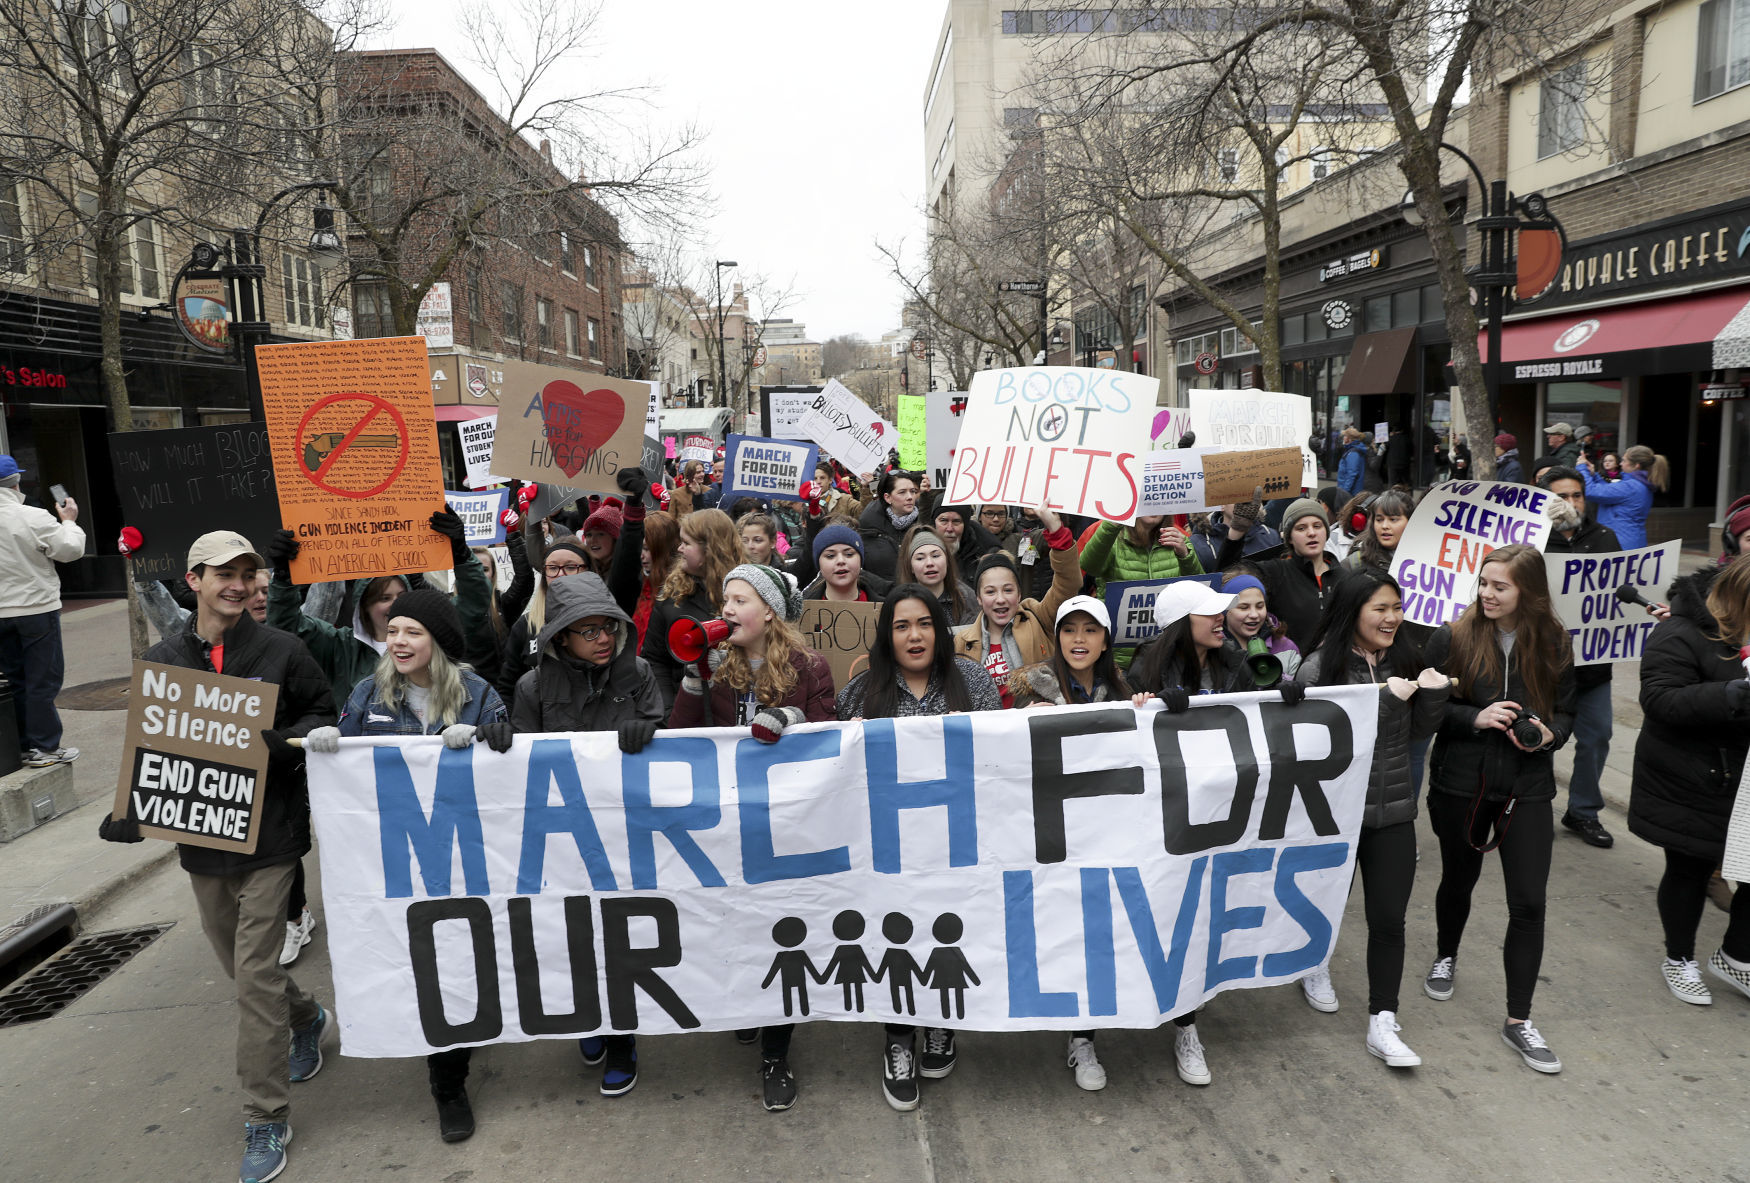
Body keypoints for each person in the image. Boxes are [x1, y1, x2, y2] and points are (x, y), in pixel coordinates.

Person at [99, 531, 335, 1183]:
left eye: (246, 572)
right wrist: (128, 808)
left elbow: (323, 712)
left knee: (255, 971)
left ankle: (265, 1116)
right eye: (222, 572)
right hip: (204, 837)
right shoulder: (169, 655)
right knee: (241, 965)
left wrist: (283, 744)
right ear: (193, 578)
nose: (237, 583)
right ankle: (307, 1016)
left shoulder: (284, 649)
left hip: (271, 836)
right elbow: (154, 742)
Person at [302, 590, 505, 1142]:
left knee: (460, 963)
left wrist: (485, 740)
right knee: (419, 965)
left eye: (412, 632)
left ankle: (451, 1075)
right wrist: (331, 742)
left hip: (465, 859)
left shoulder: (479, 694)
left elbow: (515, 774)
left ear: (437, 642)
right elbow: (347, 766)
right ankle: (443, 1072)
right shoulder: (368, 692)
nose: (398, 642)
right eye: (392, 632)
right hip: (393, 861)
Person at [670, 564, 835, 1110]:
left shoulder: (809, 666)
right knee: (732, 929)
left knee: (781, 936)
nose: (727, 608)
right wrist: (694, 676)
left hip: (785, 829)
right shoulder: (717, 664)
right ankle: (744, 1006)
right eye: (725, 599)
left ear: (769, 611)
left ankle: (776, 1052)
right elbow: (683, 739)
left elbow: (828, 733)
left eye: (739, 599)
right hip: (725, 828)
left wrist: (790, 716)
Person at [836, 587, 1001, 1111]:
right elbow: (832, 770)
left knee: (950, 936)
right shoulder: (861, 694)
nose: (914, 636)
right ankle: (899, 1040)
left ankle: (940, 1026)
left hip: (957, 845)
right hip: (889, 850)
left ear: (941, 630)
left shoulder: (972, 681)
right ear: (887, 634)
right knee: (897, 942)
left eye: (925, 624)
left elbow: (1001, 757)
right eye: (902, 626)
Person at [1419, 544, 1575, 1074]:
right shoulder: (1453, 636)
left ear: (1527, 592)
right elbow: (1428, 707)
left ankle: (1519, 1020)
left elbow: (1569, 710)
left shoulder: (1554, 642)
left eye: (1499, 586)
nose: (1486, 593)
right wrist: (1474, 719)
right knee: (1458, 880)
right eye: (1483, 583)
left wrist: (1553, 735)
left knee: (1530, 902)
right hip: (1462, 785)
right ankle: (1446, 953)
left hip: (1527, 788)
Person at [1300, 570, 1451, 1066]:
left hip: (1391, 811)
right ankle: (1313, 964)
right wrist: (1387, 700)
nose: (1392, 618)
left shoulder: (1407, 656)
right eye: (1380, 609)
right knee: (1326, 906)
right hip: (1332, 817)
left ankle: (1382, 1021)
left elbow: (1417, 735)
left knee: (1389, 918)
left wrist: (1430, 695)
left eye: (1397, 607)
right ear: (1352, 612)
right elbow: (1323, 746)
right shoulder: (1318, 669)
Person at [1006, 594, 1132, 1091]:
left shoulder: (1126, 690)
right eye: (1069, 631)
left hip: (1113, 834)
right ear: (1057, 639)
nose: (1079, 640)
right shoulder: (1032, 689)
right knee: (1075, 937)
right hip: (1057, 838)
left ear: (1105, 641)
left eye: (1090, 631)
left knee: (1108, 934)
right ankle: (1081, 1040)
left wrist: (1144, 714)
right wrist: (1024, 722)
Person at [1628, 556, 1750, 1006]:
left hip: (1744, 781)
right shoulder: (1679, 632)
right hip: (1695, 778)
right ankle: (1679, 958)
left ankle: (1737, 958)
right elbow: (1661, 699)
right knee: (1689, 869)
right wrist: (1732, 695)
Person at [1542, 466, 1666, 849]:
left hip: (1594, 667)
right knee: (1540, 741)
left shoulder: (1604, 537)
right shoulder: (1531, 543)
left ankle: (1583, 812)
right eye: (1562, 496)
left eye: (1577, 495)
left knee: (1596, 738)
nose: (1571, 503)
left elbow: (1622, 593)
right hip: (1543, 666)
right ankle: (1532, 809)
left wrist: (1648, 607)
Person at [0, 453, 84, 767]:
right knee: (42, 681)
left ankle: (20, 746)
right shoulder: (32, 516)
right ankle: (45, 748)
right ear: (16, 482)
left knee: (14, 680)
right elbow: (71, 550)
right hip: (36, 608)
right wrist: (69, 520)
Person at [953, 506, 1078, 700]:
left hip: (1038, 725)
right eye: (990, 592)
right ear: (978, 598)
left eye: (1008, 590)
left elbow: (1068, 583)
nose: (1000, 599)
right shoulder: (962, 641)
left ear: (1019, 594)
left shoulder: (1038, 618)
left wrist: (1056, 531)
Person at [641, 508, 742, 710]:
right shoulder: (672, 594)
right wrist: (668, 712)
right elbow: (655, 660)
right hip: (687, 710)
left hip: (738, 710)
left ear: (710, 548)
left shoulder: (749, 591)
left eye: (686, 543)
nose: (679, 549)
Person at [1216, 497, 1348, 651]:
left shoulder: (1345, 578)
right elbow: (1227, 577)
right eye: (1301, 528)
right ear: (1289, 538)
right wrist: (1237, 532)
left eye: (1317, 526)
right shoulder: (1275, 572)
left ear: (1326, 532)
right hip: (1290, 670)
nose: (1311, 533)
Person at [1579, 444, 1668, 550]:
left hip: (1619, 543)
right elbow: (1609, 492)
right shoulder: (1639, 485)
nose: (1620, 464)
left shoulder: (1631, 486)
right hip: (1631, 540)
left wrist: (1582, 468)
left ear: (1636, 465)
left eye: (1624, 461)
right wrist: (1594, 475)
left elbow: (1590, 491)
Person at [1220, 572, 1300, 680]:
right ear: (1226, 610)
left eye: (1260, 606)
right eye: (1244, 607)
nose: (1254, 614)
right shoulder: (1213, 649)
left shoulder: (1287, 647)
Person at [896, 524, 977, 625]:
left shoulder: (968, 600)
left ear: (947, 561)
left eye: (935, 556)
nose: (930, 563)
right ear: (911, 567)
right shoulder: (900, 605)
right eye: (920, 558)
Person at [857, 469, 923, 581]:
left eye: (912, 491)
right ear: (888, 498)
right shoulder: (869, 525)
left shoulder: (924, 520)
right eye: (902, 492)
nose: (910, 497)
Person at [802, 521, 890, 602]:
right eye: (830, 556)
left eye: (849, 554)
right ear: (819, 563)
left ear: (861, 560)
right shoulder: (802, 613)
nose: (841, 561)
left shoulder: (886, 609)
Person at [931, 503, 999, 570]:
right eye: (943, 520)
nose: (949, 529)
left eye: (956, 521)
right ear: (934, 523)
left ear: (965, 526)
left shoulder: (987, 556)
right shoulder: (923, 551)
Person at [1336, 427, 1370, 497]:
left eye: (1345, 436)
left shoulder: (1353, 453)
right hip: (1350, 491)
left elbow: (1351, 474)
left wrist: (1344, 492)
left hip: (1350, 493)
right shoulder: (1352, 450)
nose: (1343, 438)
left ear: (1349, 438)